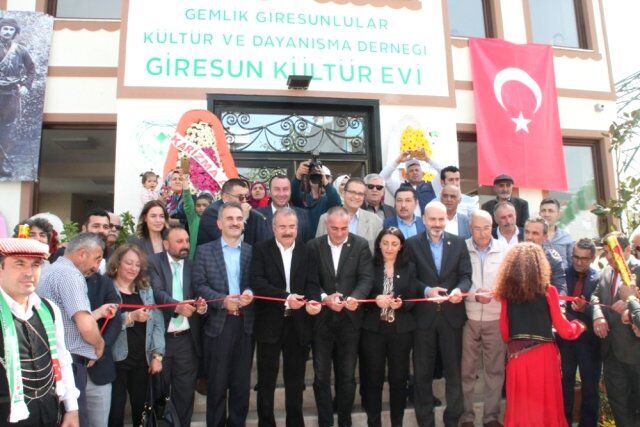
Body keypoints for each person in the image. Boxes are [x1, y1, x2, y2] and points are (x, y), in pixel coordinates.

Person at [496, 242, 585, 426]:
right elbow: (564, 330)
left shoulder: (506, 294)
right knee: (545, 409)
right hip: (544, 358)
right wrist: (579, 325)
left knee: (521, 410)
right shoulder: (548, 291)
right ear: (540, 266)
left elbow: (504, 332)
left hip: (517, 358)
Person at [251, 208, 322, 427]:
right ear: (273, 228)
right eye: (282, 226)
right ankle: (266, 423)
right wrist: (287, 298)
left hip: (298, 325)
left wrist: (313, 302)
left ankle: (295, 422)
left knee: (296, 381)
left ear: (297, 229)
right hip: (269, 323)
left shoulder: (307, 251)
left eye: (292, 227)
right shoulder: (261, 250)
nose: (287, 231)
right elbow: (258, 283)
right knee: (266, 381)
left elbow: (312, 283)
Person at [405, 201, 472, 427]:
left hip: (452, 318)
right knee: (422, 374)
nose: (437, 224)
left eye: (441, 219)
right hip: (423, 319)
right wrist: (426, 290)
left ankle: (452, 420)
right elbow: (409, 279)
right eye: (432, 219)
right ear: (424, 219)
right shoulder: (411, 244)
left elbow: (466, 276)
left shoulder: (459, 243)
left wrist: (459, 290)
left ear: (447, 220)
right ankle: (426, 422)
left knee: (454, 374)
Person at [0, 237, 80, 426]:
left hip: (48, 413)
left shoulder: (48, 309)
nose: (29, 273)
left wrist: (72, 409)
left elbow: (62, 359)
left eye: (35, 265)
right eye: (19, 264)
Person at [307, 207, 374, 427]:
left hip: (350, 320)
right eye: (334, 228)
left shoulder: (360, 245)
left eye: (343, 228)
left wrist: (355, 297)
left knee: (347, 375)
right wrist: (324, 298)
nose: (339, 233)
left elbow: (366, 278)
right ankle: (325, 421)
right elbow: (310, 280)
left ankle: (345, 421)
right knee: (321, 376)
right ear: (327, 225)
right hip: (322, 321)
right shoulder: (313, 246)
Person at [193, 202, 255, 426]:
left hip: (245, 326)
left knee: (241, 386)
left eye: (239, 219)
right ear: (219, 224)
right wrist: (222, 301)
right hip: (218, 325)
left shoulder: (251, 251)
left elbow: (256, 281)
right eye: (229, 218)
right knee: (217, 386)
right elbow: (199, 284)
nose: (235, 223)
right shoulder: (204, 251)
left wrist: (250, 292)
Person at [37, 233, 106, 426]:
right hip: (69, 365)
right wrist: (99, 344)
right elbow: (84, 323)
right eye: (97, 259)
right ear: (82, 254)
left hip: (48, 362)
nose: (97, 267)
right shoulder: (70, 275)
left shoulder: (48, 270)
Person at [360, 227, 420, 427]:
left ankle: (397, 422)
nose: (389, 247)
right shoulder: (369, 265)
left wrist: (402, 304)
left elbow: (414, 297)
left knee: (398, 379)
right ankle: (374, 422)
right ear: (378, 244)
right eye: (385, 243)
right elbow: (362, 293)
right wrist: (374, 299)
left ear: (401, 246)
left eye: (394, 244)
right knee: (373, 379)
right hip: (373, 331)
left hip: (401, 331)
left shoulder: (409, 267)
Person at [149, 225, 205, 426]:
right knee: (159, 393)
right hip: (161, 340)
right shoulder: (153, 262)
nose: (185, 245)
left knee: (185, 394)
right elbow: (157, 292)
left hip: (187, 341)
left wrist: (202, 305)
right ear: (166, 244)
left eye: (187, 241)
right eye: (179, 241)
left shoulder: (192, 265)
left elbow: (199, 292)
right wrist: (176, 306)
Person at [107, 244, 165, 427]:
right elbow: (103, 322)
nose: (133, 268)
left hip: (142, 361)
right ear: (117, 263)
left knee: (141, 413)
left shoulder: (145, 290)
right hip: (115, 361)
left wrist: (157, 355)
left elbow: (157, 323)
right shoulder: (107, 287)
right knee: (114, 413)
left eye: (137, 265)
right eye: (129, 263)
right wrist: (130, 317)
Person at [460, 210, 508, 427]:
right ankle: (467, 417)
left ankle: (491, 417)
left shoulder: (504, 249)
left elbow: (510, 281)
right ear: (470, 229)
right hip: (468, 318)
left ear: (493, 227)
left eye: (486, 228)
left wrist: (497, 292)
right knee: (466, 371)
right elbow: (456, 279)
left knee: (495, 371)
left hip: (495, 318)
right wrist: (473, 294)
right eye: (477, 228)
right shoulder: (461, 248)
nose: (482, 233)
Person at [591, 233, 640, 427]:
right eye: (606, 252)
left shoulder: (638, 269)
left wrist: (630, 304)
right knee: (619, 406)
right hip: (610, 352)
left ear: (627, 249)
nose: (609, 257)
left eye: (613, 252)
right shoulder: (606, 271)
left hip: (635, 352)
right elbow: (595, 296)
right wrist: (598, 315)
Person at [557, 238, 601, 427]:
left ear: (592, 258)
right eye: (576, 257)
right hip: (565, 340)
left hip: (589, 342)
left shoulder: (598, 278)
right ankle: (563, 422)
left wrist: (585, 309)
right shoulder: (561, 274)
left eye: (584, 258)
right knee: (564, 385)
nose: (579, 262)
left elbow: (601, 309)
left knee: (590, 387)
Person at [0, 18, 36, 178]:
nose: (7, 32)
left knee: (5, 132)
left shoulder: (20, 50)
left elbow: (31, 69)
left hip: (11, 96)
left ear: (15, 32)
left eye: (11, 29)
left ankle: (0, 167)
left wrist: (26, 86)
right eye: (5, 28)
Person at [316, 177, 383, 253]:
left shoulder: (375, 221)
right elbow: (318, 250)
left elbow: (378, 253)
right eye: (352, 192)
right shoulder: (325, 218)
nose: (356, 197)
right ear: (343, 193)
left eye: (360, 194)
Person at [197, 178, 270, 246]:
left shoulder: (246, 212)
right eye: (240, 197)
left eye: (246, 197)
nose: (244, 201)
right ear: (226, 197)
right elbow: (226, 240)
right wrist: (243, 219)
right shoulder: (212, 212)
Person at [379, 151, 441, 217]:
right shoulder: (399, 187)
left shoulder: (432, 185)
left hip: (427, 222)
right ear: (406, 176)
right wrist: (398, 161)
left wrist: (428, 159)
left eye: (417, 170)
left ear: (423, 174)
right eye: (411, 171)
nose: (414, 172)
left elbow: (445, 172)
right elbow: (381, 178)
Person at [256, 174, 312, 243]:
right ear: (269, 192)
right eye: (277, 189)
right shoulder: (257, 216)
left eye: (285, 189)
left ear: (291, 191)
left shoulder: (303, 215)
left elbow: (307, 245)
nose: (281, 194)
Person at [291, 160, 341, 236]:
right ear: (308, 179)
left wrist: (325, 182)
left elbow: (337, 203)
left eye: (319, 176)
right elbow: (293, 194)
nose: (316, 178)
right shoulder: (303, 198)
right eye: (312, 176)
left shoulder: (327, 199)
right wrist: (298, 176)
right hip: (305, 240)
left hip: (322, 239)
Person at [524, 217, 567, 296]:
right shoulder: (514, 256)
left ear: (545, 237)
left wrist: (560, 303)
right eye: (527, 232)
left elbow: (560, 288)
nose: (529, 237)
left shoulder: (553, 260)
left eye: (535, 233)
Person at [180, 174, 213, 260]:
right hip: (193, 257)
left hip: (209, 258)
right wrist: (185, 183)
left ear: (211, 206)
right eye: (198, 205)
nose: (201, 208)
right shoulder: (193, 218)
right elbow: (188, 201)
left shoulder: (215, 219)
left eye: (205, 205)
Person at [539, 198, 573, 268]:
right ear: (539, 214)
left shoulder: (566, 237)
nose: (546, 214)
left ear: (558, 214)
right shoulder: (533, 236)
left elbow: (571, 263)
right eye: (543, 211)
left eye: (550, 211)